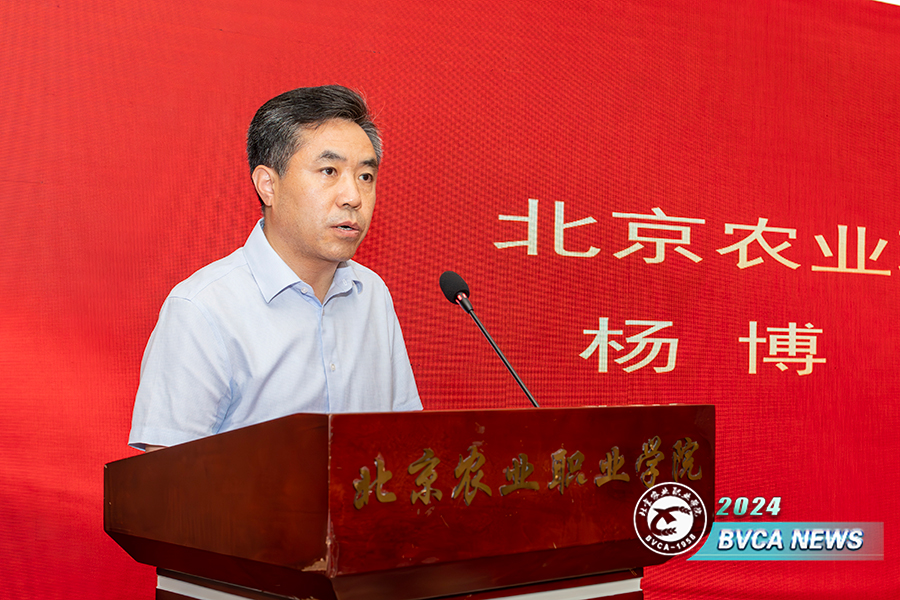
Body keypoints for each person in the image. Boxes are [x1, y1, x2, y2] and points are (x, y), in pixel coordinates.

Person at [129, 85, 421, 451]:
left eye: (365, 176)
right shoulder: (203, 309)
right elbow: (166, 476)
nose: (353, 197)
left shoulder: (372, 295)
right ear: (268, 185)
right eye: (329, 171)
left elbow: (405, 443)